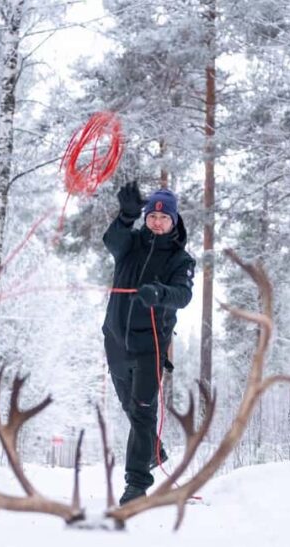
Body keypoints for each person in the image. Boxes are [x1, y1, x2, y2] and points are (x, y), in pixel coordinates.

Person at [102, 182, 196, 505]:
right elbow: (111, 241)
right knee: (130, 406)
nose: (157, 222)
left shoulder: (180, 260)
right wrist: (125, 217)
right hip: (116, 340)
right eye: (152, 216)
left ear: (173, 220)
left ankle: (137, 484)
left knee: (143, 412)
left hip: (150, 347)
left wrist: (159, 293)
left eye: (163, 217)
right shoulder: (130, 244)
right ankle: (153, 451)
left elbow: (183, 295)